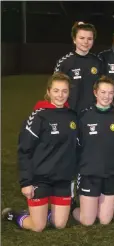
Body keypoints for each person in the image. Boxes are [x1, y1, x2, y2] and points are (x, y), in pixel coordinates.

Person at [2, 73, 77, 232]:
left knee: (59, 225)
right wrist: (26, 182)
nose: (60, 95)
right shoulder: (38, 116)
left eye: (64, 91)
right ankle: (14, 215)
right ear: (48, 92)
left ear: (69, 92)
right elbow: (24, 150)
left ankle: (49, 212)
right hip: (40, 179)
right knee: (38, 227)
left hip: (62, 180)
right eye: (56, 91)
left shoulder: (72, 116)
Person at [71, 76, 114, 226]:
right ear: (95, 93)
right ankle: (73, 207)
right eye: (103, 92)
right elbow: (76, 145)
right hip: (89, 173)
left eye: (110, 93)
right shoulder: (84, 115)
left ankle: (94, 203)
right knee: (88, 221)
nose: (107, 96)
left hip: (111, 173)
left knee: (105, 220)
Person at [54, 21, 102, 112]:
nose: (86, 42)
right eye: (82, 38)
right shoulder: (64, 62)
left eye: (89, 38)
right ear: (74, 39)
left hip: (93, 114)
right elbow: (54, 90)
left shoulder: (98, 62)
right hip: (70, 113)